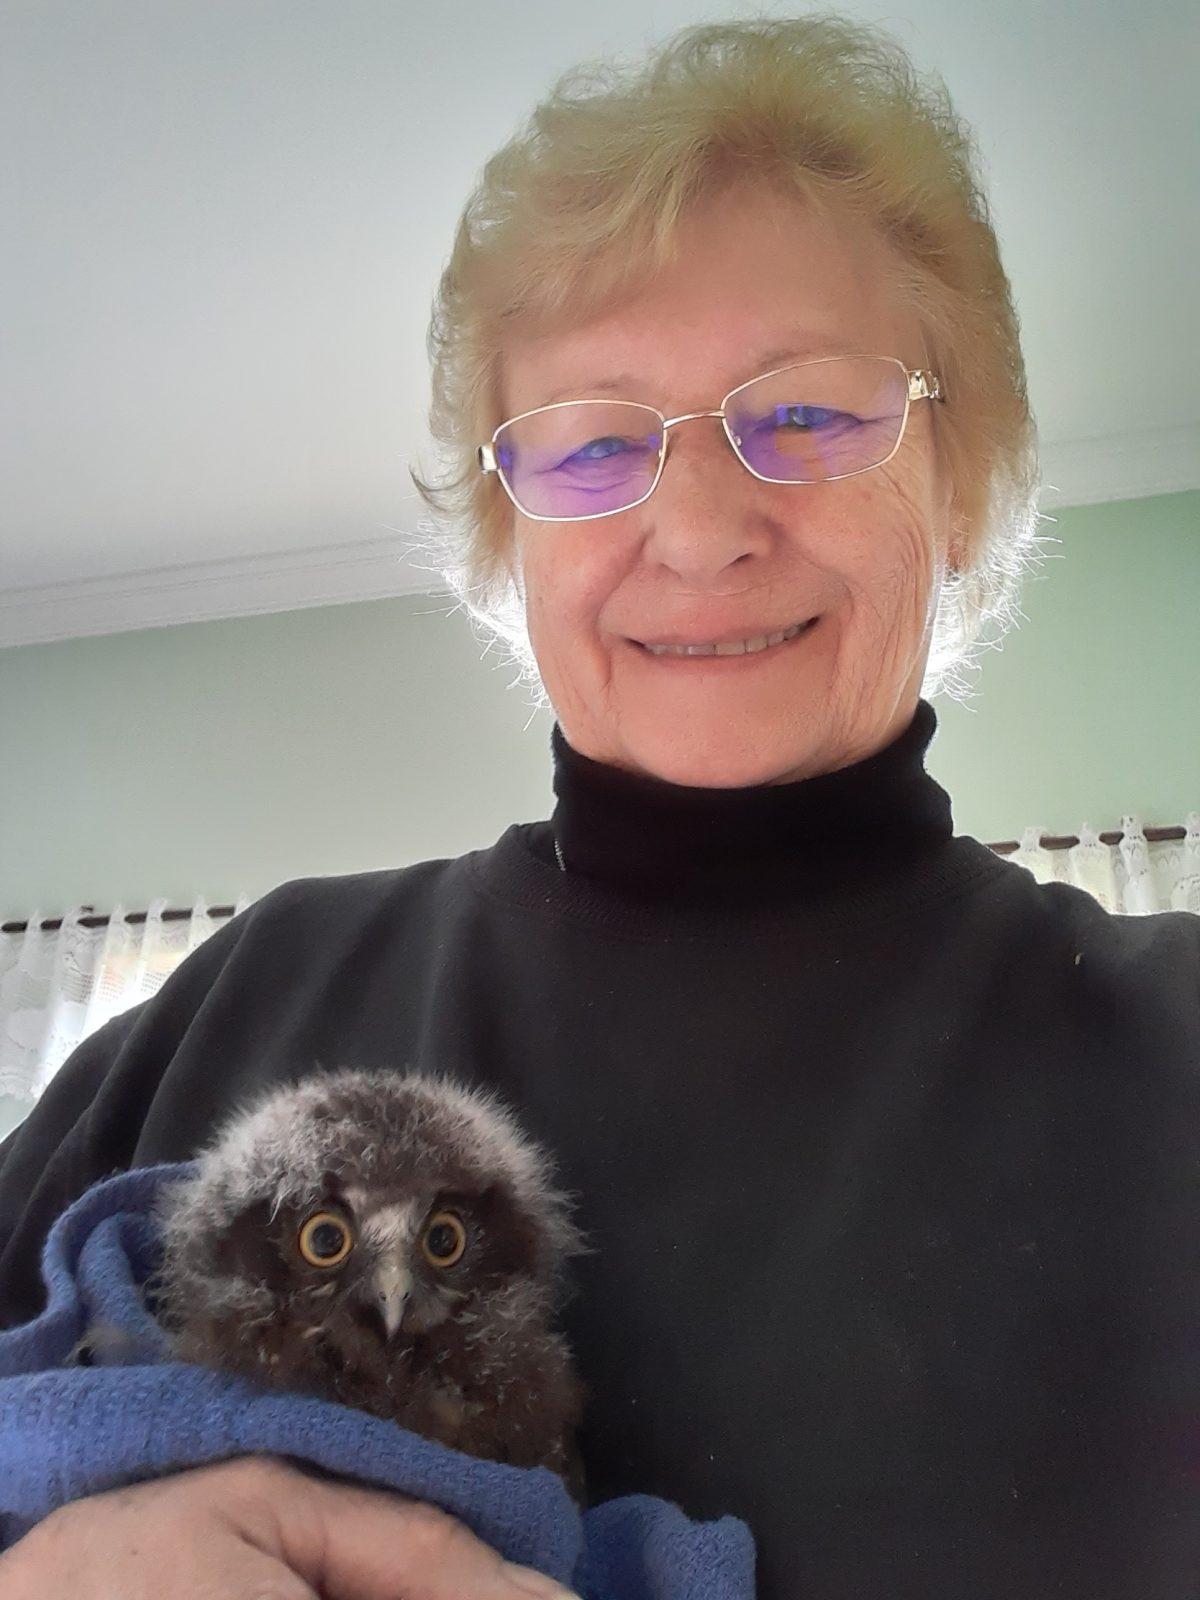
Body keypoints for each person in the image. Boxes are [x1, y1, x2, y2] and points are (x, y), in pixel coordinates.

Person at [1, 15, 1197, 1600]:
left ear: (961, 480)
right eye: (593, 444)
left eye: (810, 413)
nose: (698, 530)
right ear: (514, 538)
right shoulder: (248, 996)